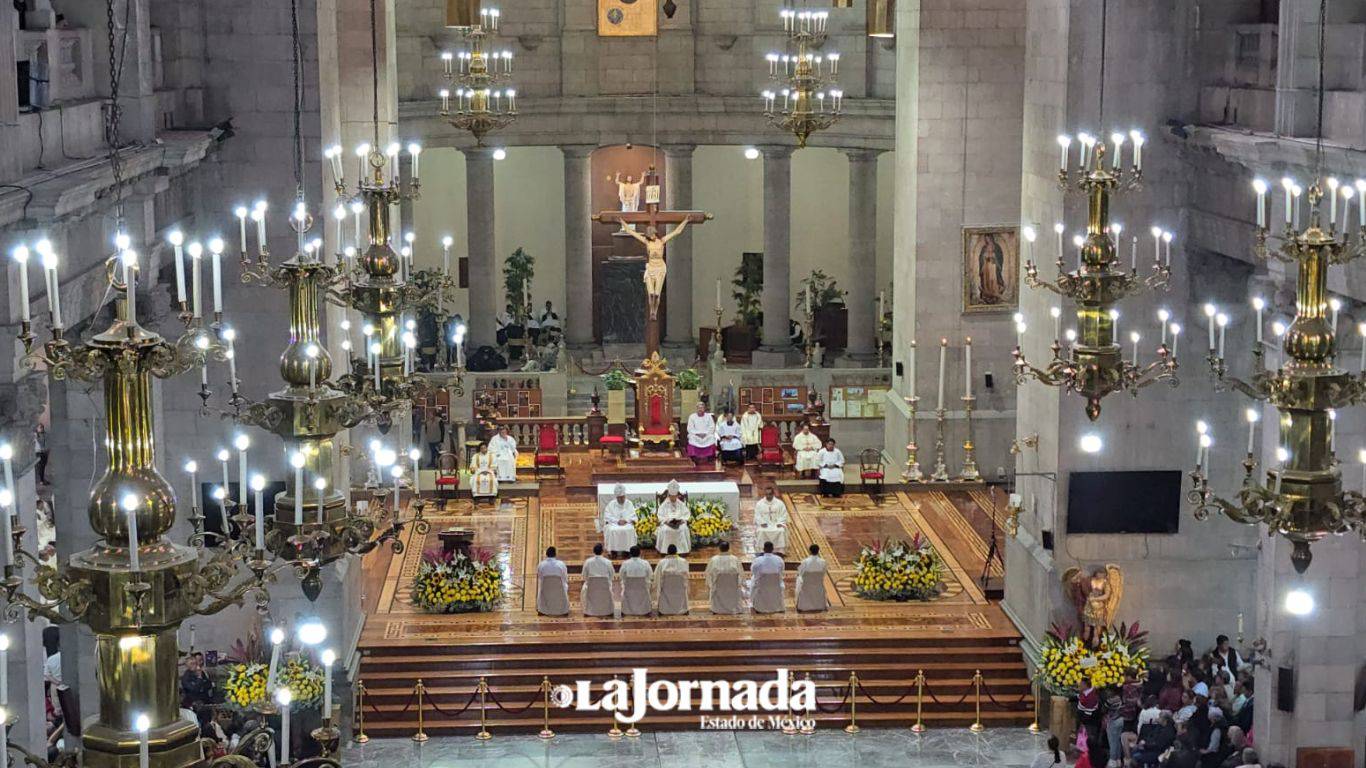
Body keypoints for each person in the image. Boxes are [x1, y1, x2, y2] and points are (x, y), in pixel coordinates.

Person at [704, 541, 742, 614]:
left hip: (718, 589)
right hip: (732, 588)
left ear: (719, 549)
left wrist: (711, 585)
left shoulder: (713, 560)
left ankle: (717, 607)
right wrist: (738, 584)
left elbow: (708, 574)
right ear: (729, 548)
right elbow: (741, 575)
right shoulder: (735, 559)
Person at [600, 484, 638, 556]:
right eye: (619, 498)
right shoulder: (611, 504)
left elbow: (633, 515)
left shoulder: (629, 503)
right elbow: (607, 516)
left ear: (625, 496)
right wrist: (617, 521)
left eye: (623, 497)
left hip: (626, 524)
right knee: (612, 530)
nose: (621, 499)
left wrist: (626, 520)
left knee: (629, 530)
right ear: (616, 497)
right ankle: (613, 551)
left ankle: (628, 550)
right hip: (614, 524)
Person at [655, 480, 691, 555]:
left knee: (683, 529)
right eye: (672, 496)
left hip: (679, 524)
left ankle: (682, 551)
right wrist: (667, 522)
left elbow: (686, 514)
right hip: (667, 524)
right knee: (665, 530)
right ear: (669, 495)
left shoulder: (681, 504)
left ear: (677, 495)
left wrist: (681, 521)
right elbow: (660, 515)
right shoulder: (664, 504)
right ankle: (665, 550)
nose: (673, 498)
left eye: (675, 496)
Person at [581, 543, 616, 617]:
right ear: (602, 551)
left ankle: (588, 610)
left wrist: (591, 581)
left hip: (591, 587)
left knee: (584, 587)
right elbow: (612, 575)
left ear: (593, 551)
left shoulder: (588, 562)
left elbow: (584, 576)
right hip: (605, 586)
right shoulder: (608, 562)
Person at [750, 541, 785, 613]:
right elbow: (781, 571)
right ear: (772, 549)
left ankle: (758, 605)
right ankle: (777, 606)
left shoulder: (758, 560)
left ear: (763, 549)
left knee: (753, 579)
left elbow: (753, 572)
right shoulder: (779, 560)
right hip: (775, 585)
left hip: (762, 585)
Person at [619, 546, 654, 616]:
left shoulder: (625, 563)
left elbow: (621, 576)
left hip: (629, 590)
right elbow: (651, 575)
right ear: (640, 553)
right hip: (643, 589)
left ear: (630, 554)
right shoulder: (645, 563)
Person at [655, 545, 689, 615]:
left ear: (667, 552)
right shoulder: (684, 561)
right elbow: (686, 577)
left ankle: (664, 609)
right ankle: (682, 609)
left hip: (666, 589)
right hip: (680, 589)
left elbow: (656, 577)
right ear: (676, 552)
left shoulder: (661, 563)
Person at [535, 546, 570, 616]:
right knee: (565, 585)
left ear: (546, 554)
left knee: (541, 586)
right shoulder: (561, 564)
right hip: (559, 588)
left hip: (546, 588)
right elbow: (565, 578)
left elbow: (540, 577)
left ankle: (542, 609)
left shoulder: (541, 565)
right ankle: (563, 609)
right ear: (555, 554)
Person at [795, 543, 829, 612]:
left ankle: (801, 604)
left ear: (809, 551)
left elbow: (800, 573)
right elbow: (823, 573)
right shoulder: (823, 562)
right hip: (818, 584)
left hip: (806, 585)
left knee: (799, 579)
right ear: (818, 551)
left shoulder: (805, 562)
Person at [753, 486, 788, 553]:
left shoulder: (780, 503)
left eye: (770, 494)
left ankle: (779, 551)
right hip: (765, 524)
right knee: (761, 531)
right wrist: (762, 523)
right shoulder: (760, 504)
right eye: (767, 494)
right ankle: (762, 550)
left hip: (776, 524)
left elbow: (783, 514)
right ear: (765, 494)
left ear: (773, 494)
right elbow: (757, 515)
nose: (768, 496)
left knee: (781, 531)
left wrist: (780, 523)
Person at [685, 402, 717, 467]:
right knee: (691, 437)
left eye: (702, 408)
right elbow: (690, 428)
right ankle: (694, 456)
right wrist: (697, 434)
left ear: (704, 409)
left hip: (706, 435)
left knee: (711, 437)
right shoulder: (692, 416)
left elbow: (712, 427)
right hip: (696, 435)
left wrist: (705, 434)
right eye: (699, 408)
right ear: (696, 409)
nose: (700, 409)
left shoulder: (708, 416)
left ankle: (709, 456)